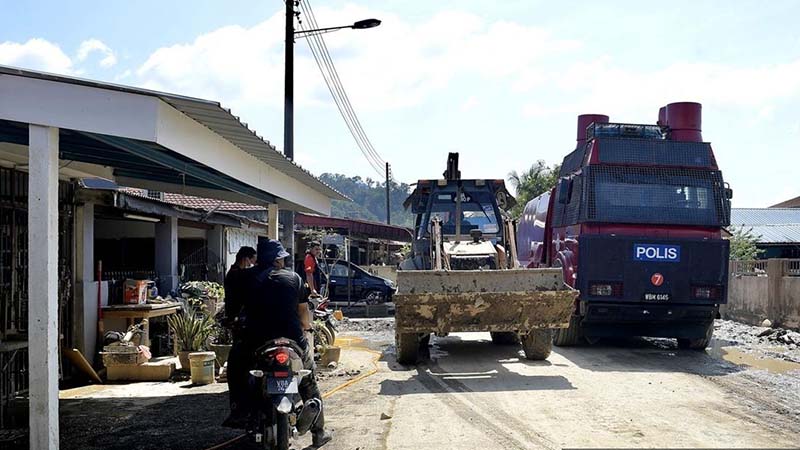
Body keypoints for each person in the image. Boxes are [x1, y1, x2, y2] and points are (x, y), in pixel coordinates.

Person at [226, 240, 332, 448]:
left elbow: (234, 310)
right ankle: (319, 433)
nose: (284, 261)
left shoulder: (246, 278)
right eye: (282, 258)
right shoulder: (294, 278)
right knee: (308, 380)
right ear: (277, 260)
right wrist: (307, 327)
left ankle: (239, 410)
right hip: (292, 341)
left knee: (236, 368)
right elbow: (304, 315)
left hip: (256, 341)